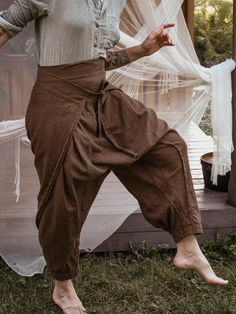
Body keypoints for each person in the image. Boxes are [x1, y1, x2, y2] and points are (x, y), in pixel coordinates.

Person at [0, 1, 228, 313]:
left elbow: (99, 59)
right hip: (56, 101)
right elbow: (5, 27)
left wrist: (145, 49)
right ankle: (63, 286)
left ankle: (186, 245)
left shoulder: (112, 2)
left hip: (99, 94)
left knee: (167, 146)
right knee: (63, 195)